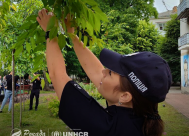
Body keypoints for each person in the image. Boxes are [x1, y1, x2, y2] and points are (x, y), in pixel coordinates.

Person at [36, 9, 172, 136]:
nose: (104, 71)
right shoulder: (140, 115)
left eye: (111, 73)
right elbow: (98, 73)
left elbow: (57, 74)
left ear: (125, 96)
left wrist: (50, 30)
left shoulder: (107, 128)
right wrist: (72, 35)